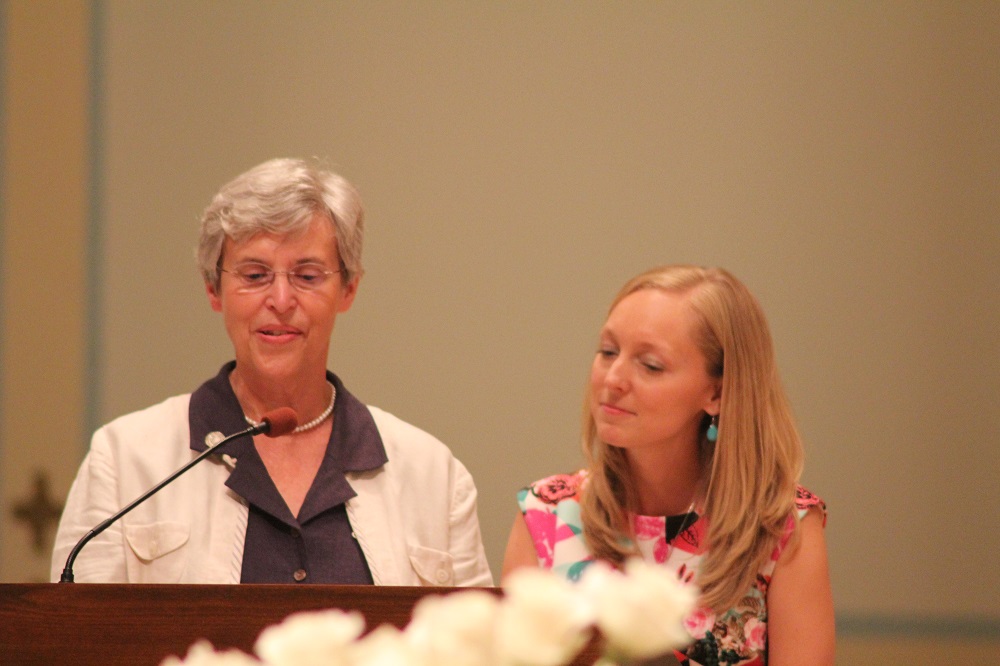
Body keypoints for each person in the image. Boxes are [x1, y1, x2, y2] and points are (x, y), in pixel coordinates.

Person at [52, 157, 493, 587]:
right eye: (256, 274)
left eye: (307, 275)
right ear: (214, 289)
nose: (281, 300)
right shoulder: (126, 460)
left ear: (349, 289)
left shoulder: (434, 475)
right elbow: (71, 647)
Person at [503, 265, 834, 665]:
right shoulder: (547, 513)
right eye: (608, 352)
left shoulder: (782, 526)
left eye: (650, 365)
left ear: (717, 393)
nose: (614, 379)